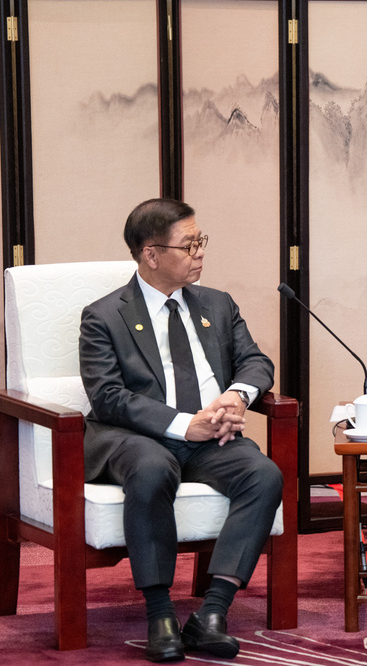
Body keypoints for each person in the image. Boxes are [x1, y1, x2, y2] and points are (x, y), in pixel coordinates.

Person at [79, 198, 283, 662]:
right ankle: (160, 614)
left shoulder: (217, 303)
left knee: (263, 474)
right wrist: (181, 425)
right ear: (151, 254)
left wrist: (236, 397)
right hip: (138, 437)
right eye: (188, 245)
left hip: (212, 435)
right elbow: (108, 396)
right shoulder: (104, 316)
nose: (200, 253)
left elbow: (256, 361)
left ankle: (212, 613)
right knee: (151, 469)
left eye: (200, 241)